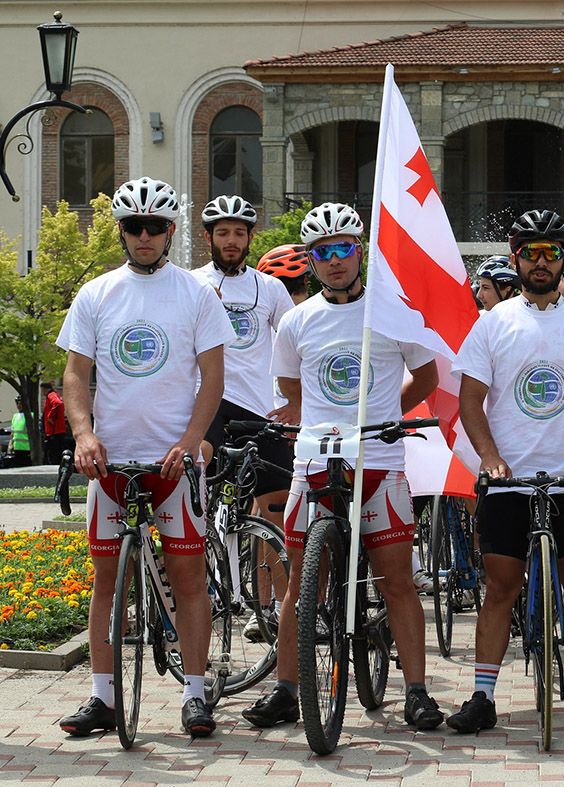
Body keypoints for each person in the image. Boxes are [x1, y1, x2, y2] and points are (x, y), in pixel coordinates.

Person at [241, 202, 446, 731]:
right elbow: (290, 386)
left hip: (378, 462)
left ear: (361, 252)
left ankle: (417, 693)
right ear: (311, 260)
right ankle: (286, 690)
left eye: (344, 248)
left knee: (397, 580)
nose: (334, 260)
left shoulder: (392, 310)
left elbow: (426, 378)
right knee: (300, 585)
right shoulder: (296, 321)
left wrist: (384, 416)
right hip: (314, 462)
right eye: (323, 251)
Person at [446, 209, 564, 736]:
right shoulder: (492, 324)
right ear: (515, 260)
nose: (540, 262)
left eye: (550, 253)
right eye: (530, 253)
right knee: (500, 588)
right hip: (508, 481)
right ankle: (482, 697)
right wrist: (489, 457)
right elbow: (470, 402)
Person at [56, 177, 234, 738]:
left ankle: (196, 694)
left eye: (155, 226)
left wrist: (192, 439)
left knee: (188, 579)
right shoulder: (96, 294)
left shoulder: (196, 294)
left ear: (171, 231)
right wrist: (83, 434)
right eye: (134, 226)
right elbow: (75, 374)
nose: (144, 236)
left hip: (173, 466)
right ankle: (103, 698)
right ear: (121, 231)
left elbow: (213, 378)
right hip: (109, 465)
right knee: (105, 581)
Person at [192, 196, 295, 549]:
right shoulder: (190, 284)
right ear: (209, 237)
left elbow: (298, 344)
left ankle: (275, 588)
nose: (231, 240)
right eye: (223, 233)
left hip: (259, 408)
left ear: (251, 237)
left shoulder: (270, 288)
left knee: (278, 513)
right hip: (207, 404)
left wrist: (297, 402)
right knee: (193, 488)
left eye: (239, 232)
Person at [41, 382, 67, 463]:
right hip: (55, 431)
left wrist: (49, 416)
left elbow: (58, 403)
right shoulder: (53, 396)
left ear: (45, 389)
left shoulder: (51, 395)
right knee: (55, 453)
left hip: (54, 431)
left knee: (52, 453)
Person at [7, 396, 31, 467]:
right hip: (17, 448)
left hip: (27, 448)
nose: (19, 405)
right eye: (17, 403)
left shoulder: (30, 415)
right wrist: (11, 444)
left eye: (21, 403)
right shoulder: (15, 416)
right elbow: (13, 432)